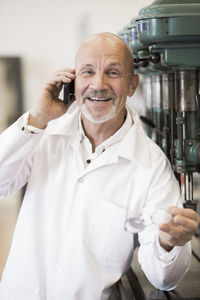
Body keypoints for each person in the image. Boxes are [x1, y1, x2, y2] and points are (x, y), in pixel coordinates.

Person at [0, 32, 199, 300]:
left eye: (113, 72)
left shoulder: (151, 166)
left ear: (132, 85)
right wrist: (36, 117)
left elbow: (163, 278)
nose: (98, 84)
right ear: (73, 81)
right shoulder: (43, 134)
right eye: (87, 72)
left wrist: (167, 242)